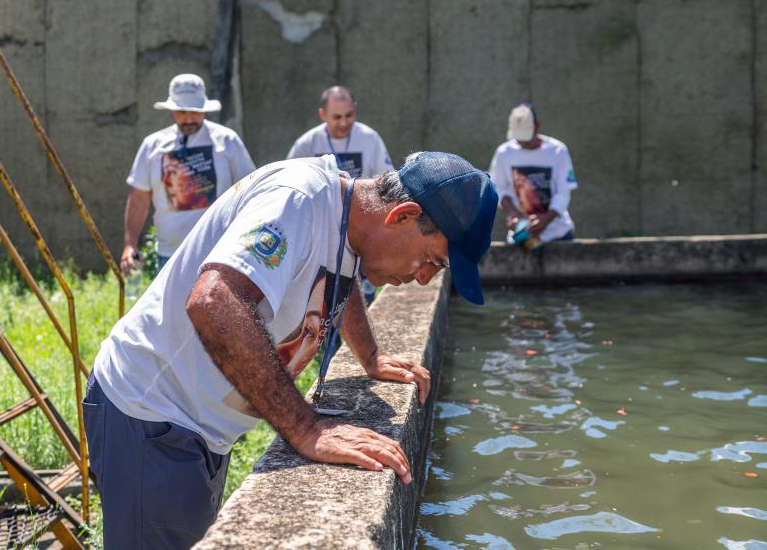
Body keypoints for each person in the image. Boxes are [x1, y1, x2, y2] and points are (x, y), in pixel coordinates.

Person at [84, 151, 498, 548]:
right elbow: (214, 302)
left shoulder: (346, 224)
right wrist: (307, 428)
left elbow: (340, 271)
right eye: (431, 260)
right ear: (402, 216)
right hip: (150, 413)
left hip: (198, 425)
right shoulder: (296, 200)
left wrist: (369, 355)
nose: (425, 279)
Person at [120, 73, 256, 275]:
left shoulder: (227, 141)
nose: (189, 118)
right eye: (182, 112)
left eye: (196, 111)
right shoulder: (153, 146)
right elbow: (139, 198)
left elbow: (251, 190)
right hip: (169, 256)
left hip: (219, 253)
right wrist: (130, 244)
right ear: (172, 110)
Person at [287, 85, 394, 301]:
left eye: (349, 115)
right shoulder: (306, 144)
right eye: (336, 117)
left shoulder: (370, 139)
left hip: (359, 233)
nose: (344, 123)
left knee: (361, 300)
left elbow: (387, 184)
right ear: (322, 114)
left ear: (355, 108)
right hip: (320, 235)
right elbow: (290, 187)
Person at [489, 103, 577, 246]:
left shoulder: (557, 151)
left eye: (525, 136)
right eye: (518, 137)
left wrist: (546, 219)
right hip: (522, 237)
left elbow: (563, 192)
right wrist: (513, 213)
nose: (522, 142)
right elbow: (498, 188)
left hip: (558, 234)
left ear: (537, 126)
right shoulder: (504, 153)